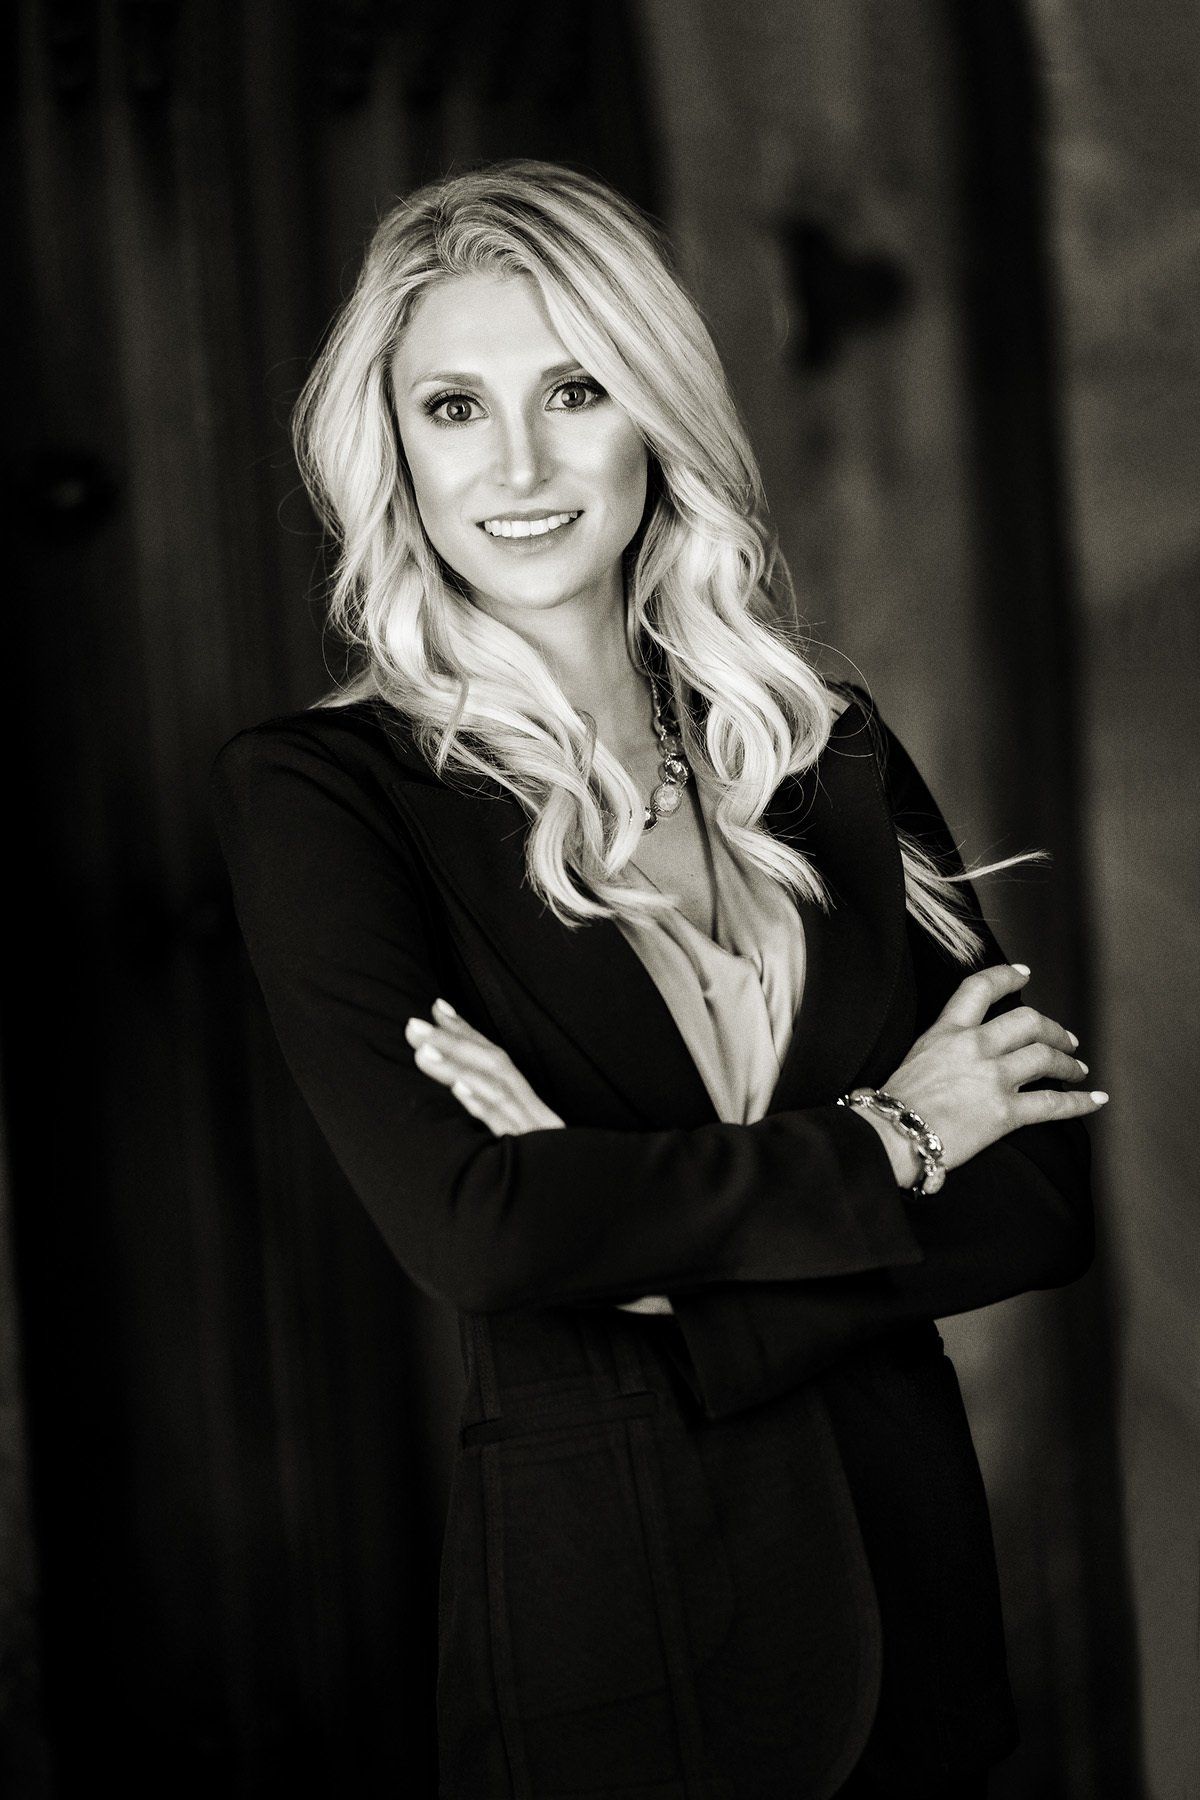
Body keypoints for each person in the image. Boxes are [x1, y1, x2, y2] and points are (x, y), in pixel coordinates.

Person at [209, 159, 1103, 1800]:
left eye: (575, 389)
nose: (520, 465)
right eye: (455, 407)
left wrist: (638, 1254)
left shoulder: (818, 746)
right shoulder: (328, 798)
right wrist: (899, 1138)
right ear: (393, 446)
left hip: (921, 1631)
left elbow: (1039, 1199)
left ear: (655, 410)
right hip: (621, 1656)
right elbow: (484, 1233)